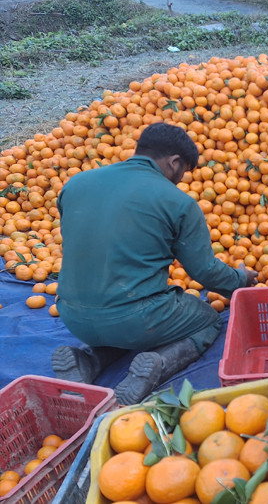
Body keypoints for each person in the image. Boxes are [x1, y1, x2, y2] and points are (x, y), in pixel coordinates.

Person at [51, 123, 257, 404]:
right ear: (174, 163)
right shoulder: (177, 203)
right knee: (207, 319)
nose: (180, 180)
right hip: (137, 319)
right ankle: (159, 364)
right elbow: (204, 271)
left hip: (72, 315)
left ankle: (88, 361)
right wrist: (241, 280)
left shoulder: (75, 184)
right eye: (182, 172)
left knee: (128, 322)